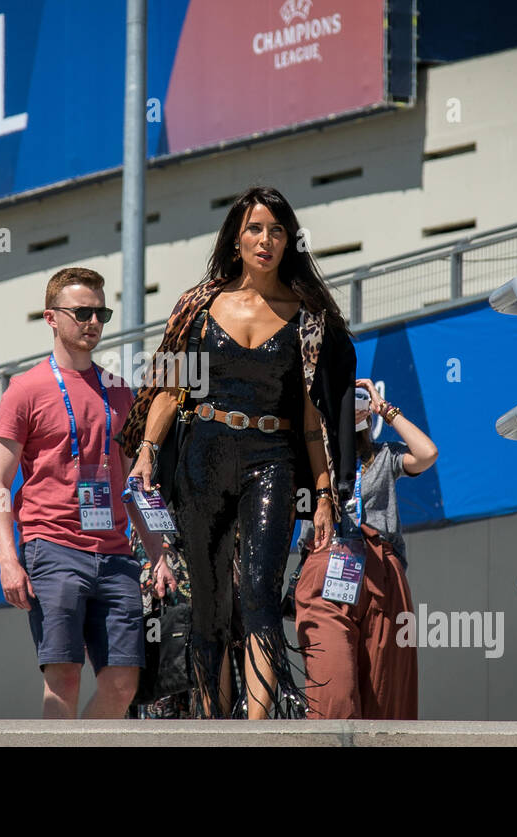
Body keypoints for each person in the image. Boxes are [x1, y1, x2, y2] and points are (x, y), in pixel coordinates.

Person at [122, 186, 357, 719]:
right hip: (202, 455)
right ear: (235, 241)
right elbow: (167, 389)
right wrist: (146, 453)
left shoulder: (309, 318)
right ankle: (211, 722)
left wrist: (323, 492)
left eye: (277, 230)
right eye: (255, 229)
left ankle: (256, 728)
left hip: (271, 458)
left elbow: (313, 419)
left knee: (258, 593)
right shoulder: (198, 306)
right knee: (208, 603)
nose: (266, 240)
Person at [0, 267, 174, 719]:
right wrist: (9, 560)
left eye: (101, 312)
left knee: (123, 683)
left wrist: (159, 553)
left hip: (115, 556)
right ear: (51, 318)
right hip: (51, 548)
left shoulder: (121, 393)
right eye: (82, 312)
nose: (93, 322)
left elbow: (135, 485)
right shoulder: (25, 390)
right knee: (63, 676)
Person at [296, 378, 437, 719]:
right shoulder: (312, 465)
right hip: (327, 564)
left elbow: (427, 453)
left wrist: (384, 408)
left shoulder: (384, 456)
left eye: (355, 404)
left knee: (385, 701)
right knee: (334, 696)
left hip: (382, 573)